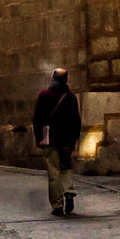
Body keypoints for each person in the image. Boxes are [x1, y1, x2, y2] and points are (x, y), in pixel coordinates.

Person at [33, 67, 81, 216]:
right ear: (66, 79)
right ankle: (68, 191)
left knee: (54, 172)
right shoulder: (71, 97)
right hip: (67, 140)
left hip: (50, 138)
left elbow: (37, 119)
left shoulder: (44, 95)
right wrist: (74, 140)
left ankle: (57, 205)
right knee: (66, 167)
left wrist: (38, 138)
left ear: (52, 77)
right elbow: (76, 121)